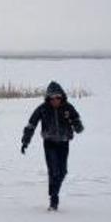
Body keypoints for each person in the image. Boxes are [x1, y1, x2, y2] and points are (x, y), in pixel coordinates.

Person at [21, 81, 84, 211]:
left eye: (58, 97)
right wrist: (25, 141)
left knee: (62, 172)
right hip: (49, 143)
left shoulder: (68, 108)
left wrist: (77, 126)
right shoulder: (43, 108)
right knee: (54, 171)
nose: (55, 100)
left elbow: (77, 120)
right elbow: (31, 124)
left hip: (64, 143)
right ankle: (54, 200)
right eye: (52, 97)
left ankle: (53, 191)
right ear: (48, 98)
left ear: (62, 97)